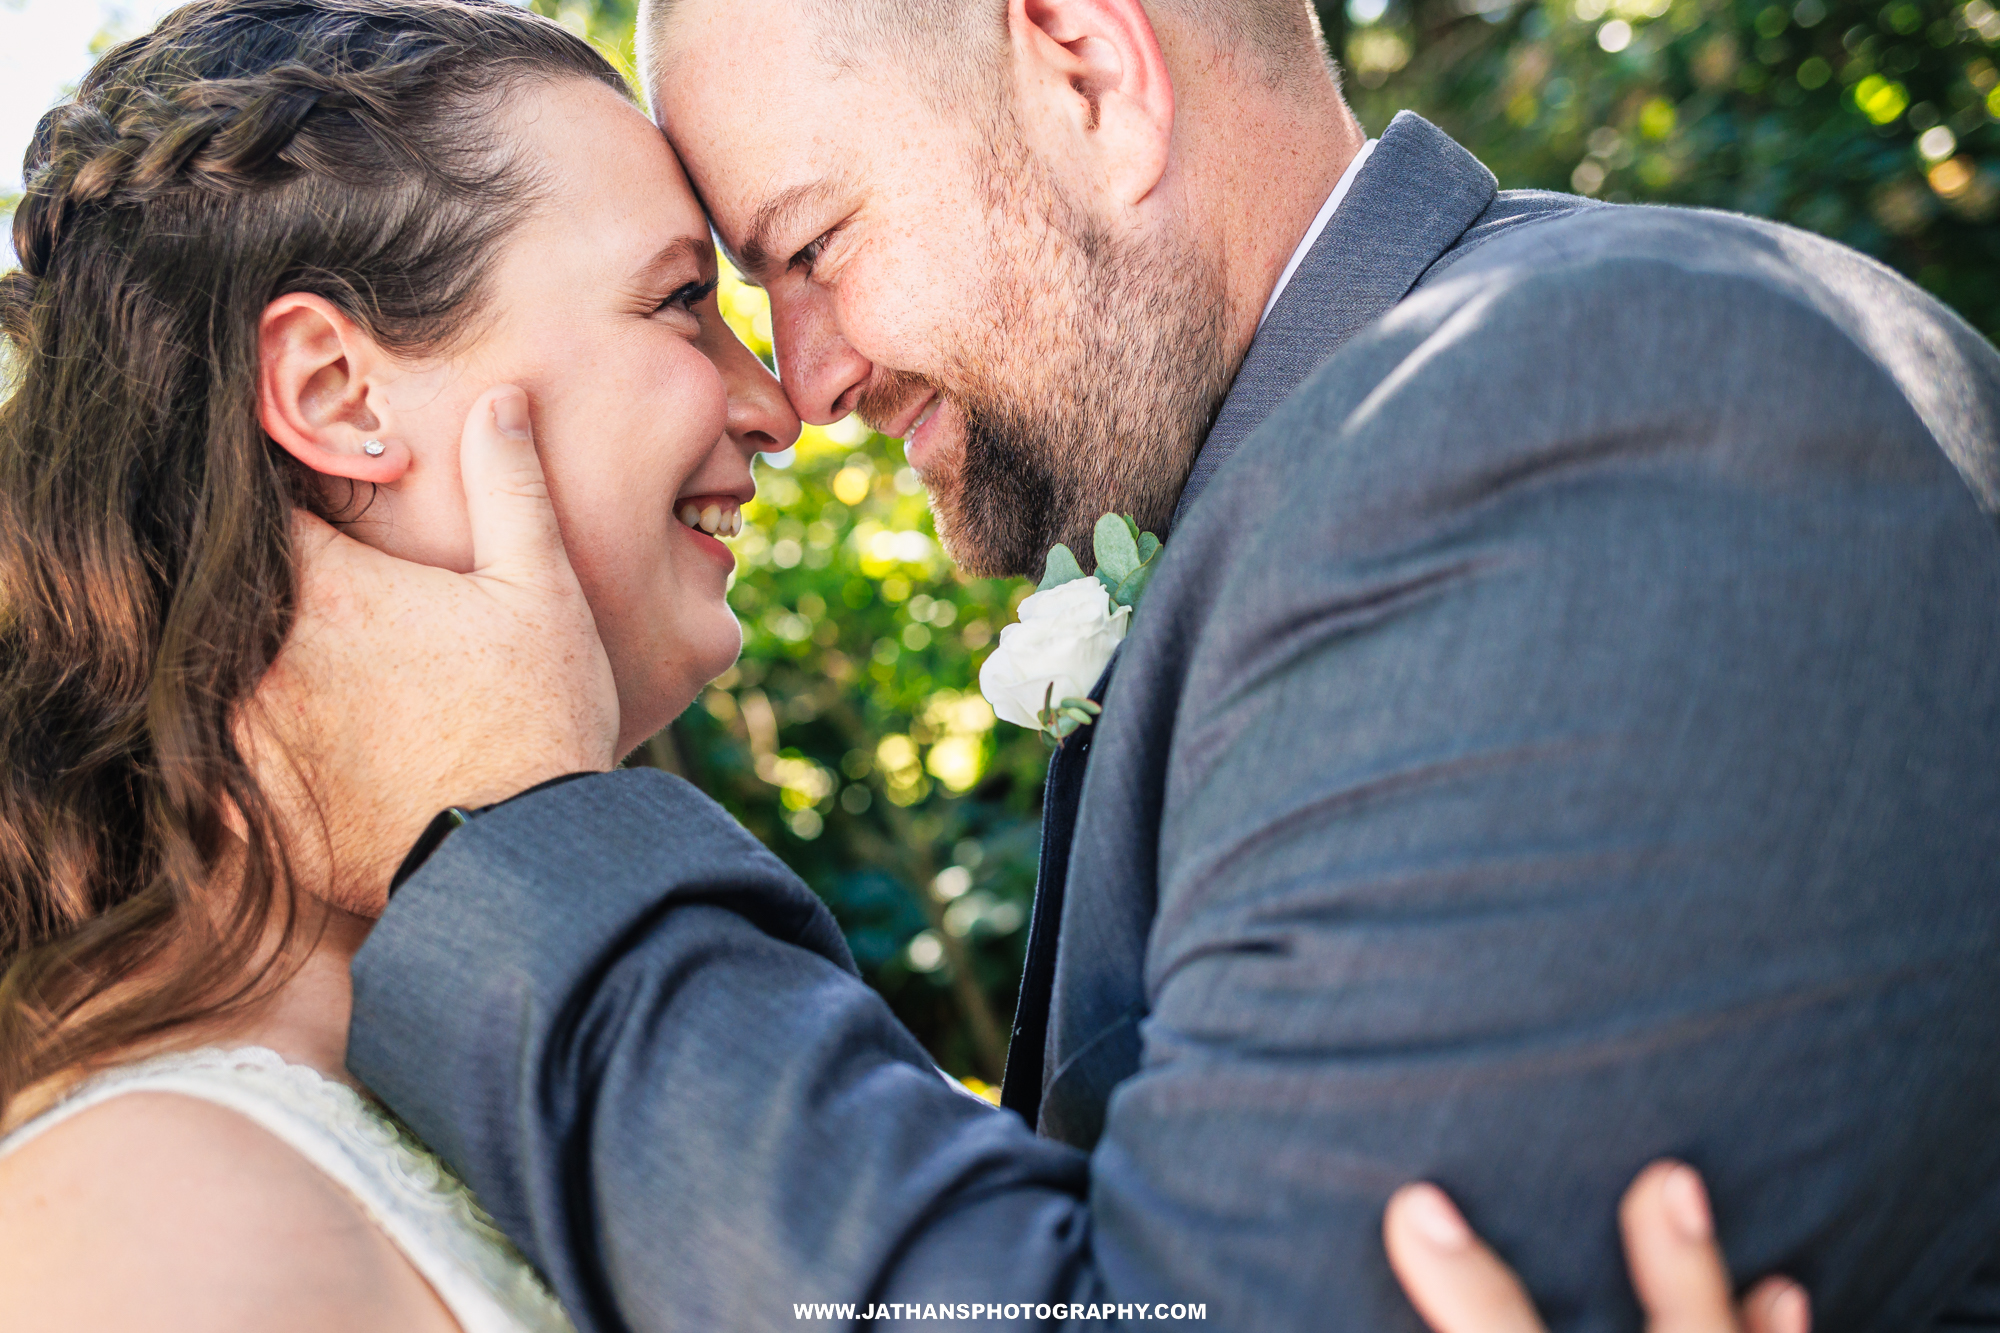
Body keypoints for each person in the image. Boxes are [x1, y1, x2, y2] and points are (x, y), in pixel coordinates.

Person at [322, 0, 2000, 1329]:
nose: (807, 383)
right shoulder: (1348, 475)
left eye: (808, 252)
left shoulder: (1569, 407)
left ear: (1088, 65)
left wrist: (528, 831)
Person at [0, 2, 796, 1327]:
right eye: (678, 304)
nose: (772, 402)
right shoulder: (149, 1226)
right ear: (335, 391)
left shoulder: (495, 1070)